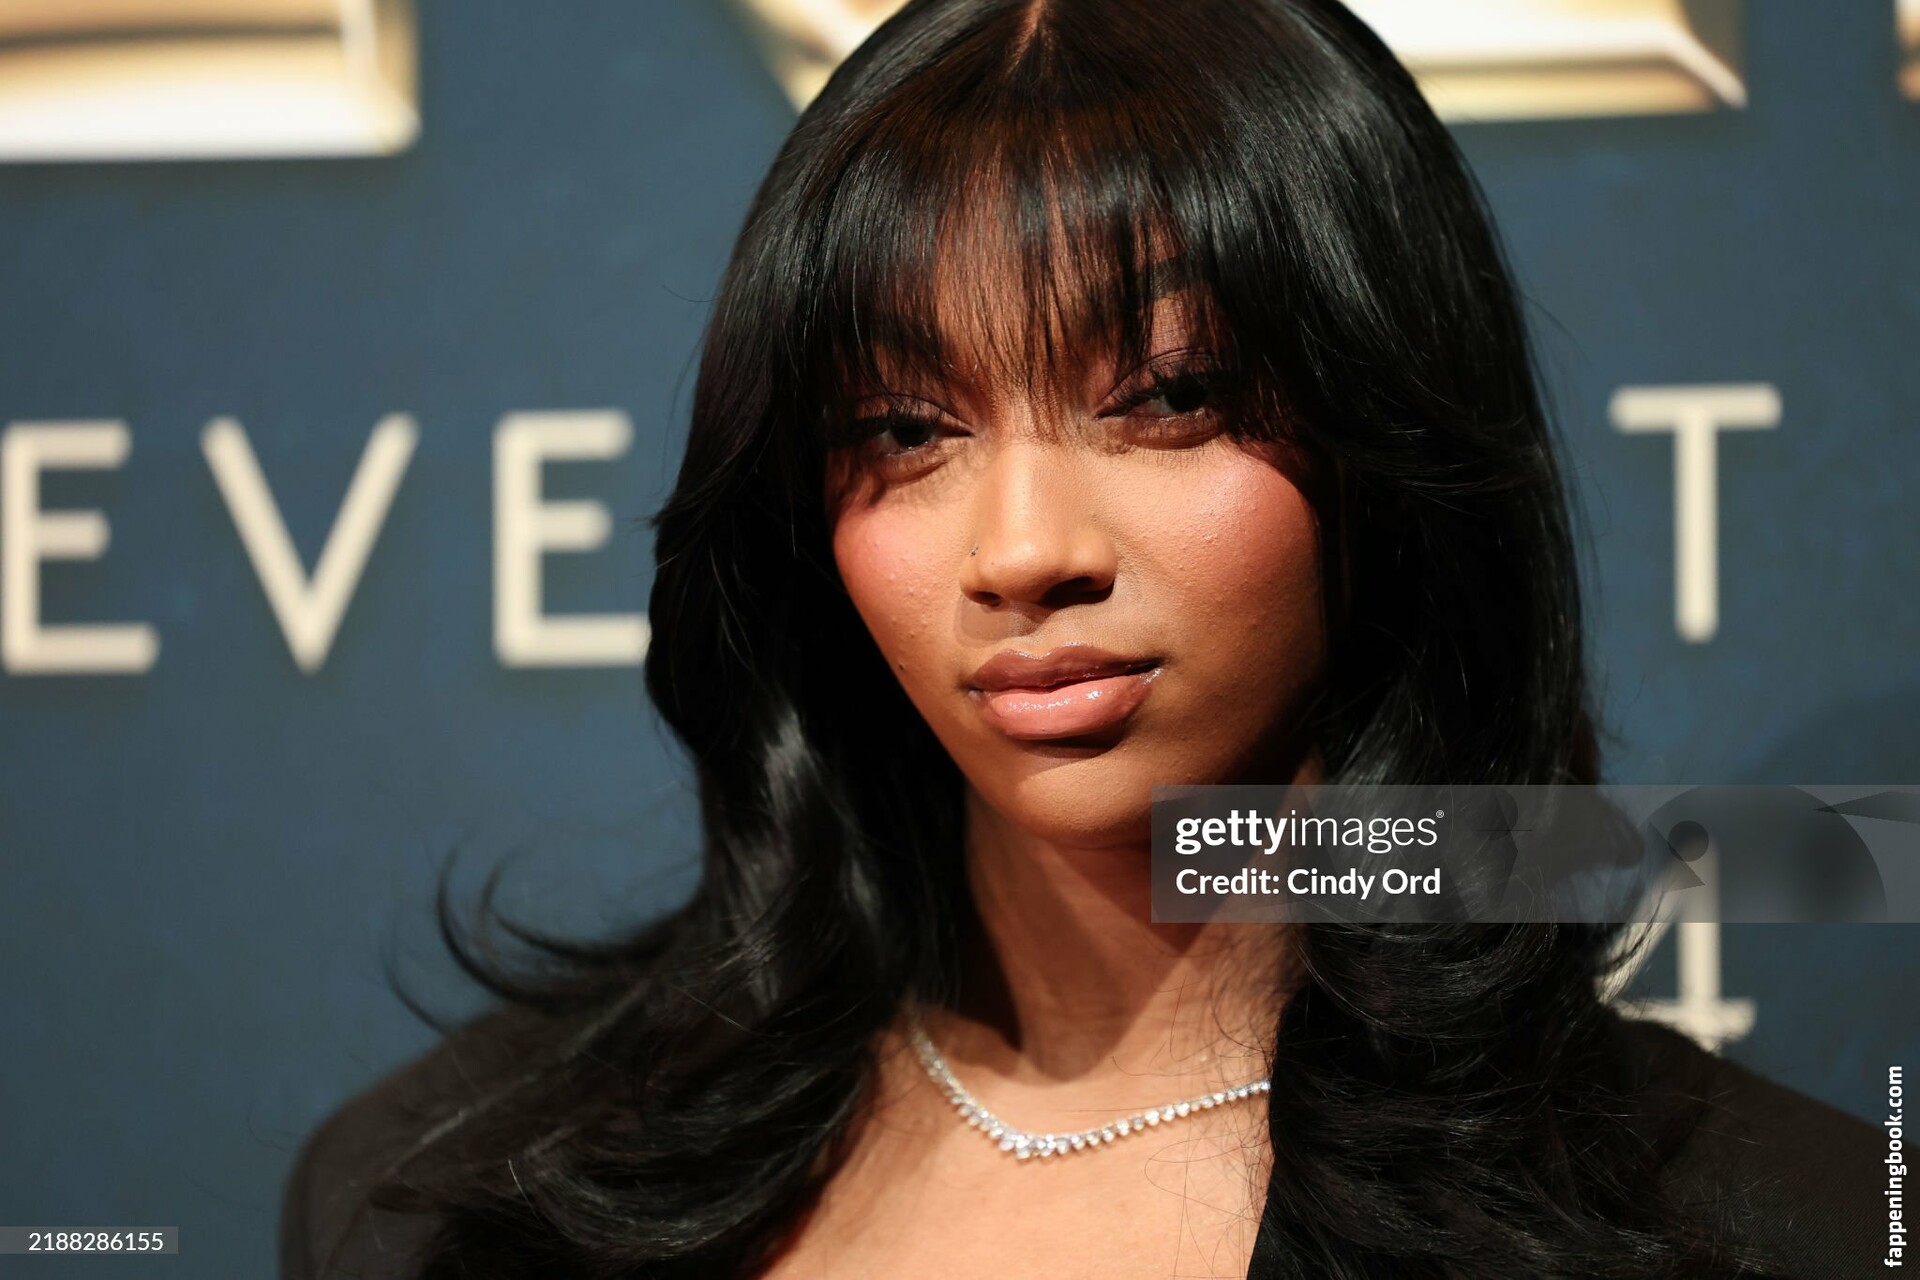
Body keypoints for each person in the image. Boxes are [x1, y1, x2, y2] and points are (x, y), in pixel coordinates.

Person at [279, 1, 1887, 1276]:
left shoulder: (1773, 1229)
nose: (1025, 551)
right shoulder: (446, 1195)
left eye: (1168, 396)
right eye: (905, 427)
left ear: (1392, 441)